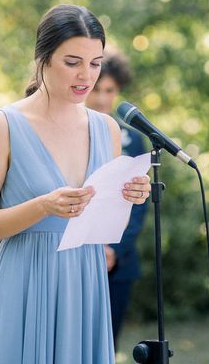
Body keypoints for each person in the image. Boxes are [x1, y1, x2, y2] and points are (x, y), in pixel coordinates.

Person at [0, 4, 151, 363]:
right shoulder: (2, 125)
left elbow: (108, 226)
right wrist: (43, 206)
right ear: (43, 58)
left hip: (86, 280)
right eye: (72, 62)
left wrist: (129, 197)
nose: (86, 75)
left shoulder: (107, 129)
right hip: (24, 281)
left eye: (94, 63)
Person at [86, 51, 147, 345]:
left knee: (108, 344)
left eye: (109, 91)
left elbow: (138, 207)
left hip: (119, 261)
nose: (101, 98)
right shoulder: (72, 132)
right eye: (96, 89)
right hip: (79, 252)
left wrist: (114, 249)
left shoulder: (133, 139)